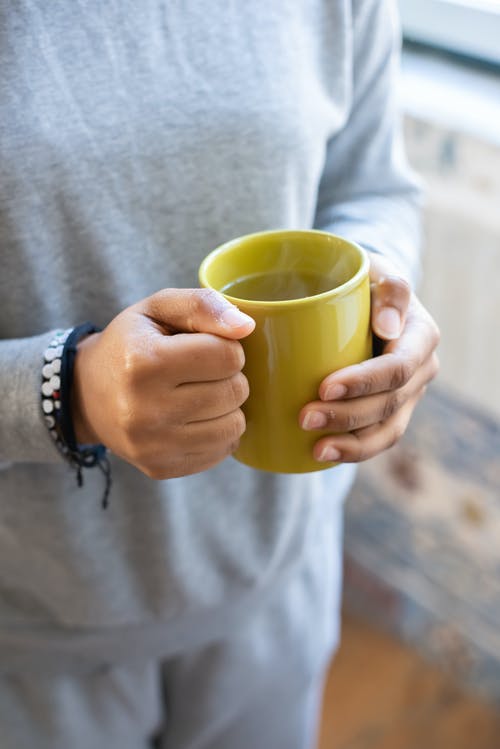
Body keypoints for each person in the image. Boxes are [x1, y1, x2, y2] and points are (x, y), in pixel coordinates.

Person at [0, 1, 440, 748]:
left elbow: (372, 188)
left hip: (280, 582)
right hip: (32, 635)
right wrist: (64, 390)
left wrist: (386, 295)